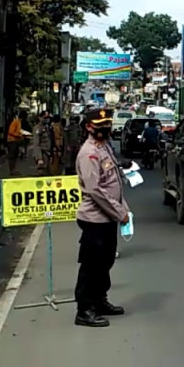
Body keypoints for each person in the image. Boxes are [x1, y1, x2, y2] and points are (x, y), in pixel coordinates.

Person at [74, 108, 130, 328]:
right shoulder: (88, 153)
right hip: (94, 219)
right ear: (89, 126)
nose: (105, 128)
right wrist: (119, 212)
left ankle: (99, 300)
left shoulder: (105, 147)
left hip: (108, 218)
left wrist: (123, 209)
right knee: (91, 266)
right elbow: (95, 190)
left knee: (106, 262)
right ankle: (84, 309)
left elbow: (114, 180)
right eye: (99, 124)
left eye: (107, 123)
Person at [6, 111, 25, 175]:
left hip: (16, 141)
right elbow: (11, 131)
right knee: (12, 156)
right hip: (12, 141)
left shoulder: (19, 122)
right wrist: (18, 135)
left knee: (15, 156)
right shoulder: (16, 121)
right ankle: (12, 171)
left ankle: (14, 170)